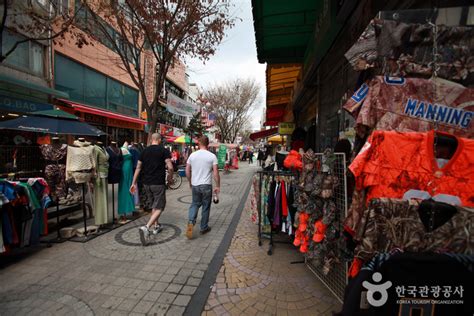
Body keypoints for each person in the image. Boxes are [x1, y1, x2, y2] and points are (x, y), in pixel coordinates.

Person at [130, 133, 174, 246]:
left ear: (151, 140)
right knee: (160, 206)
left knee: (154, 205)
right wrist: (170, 178)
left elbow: (138, 167)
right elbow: (170, 167)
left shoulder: (144, 151)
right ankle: (147, 227)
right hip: (158, 183)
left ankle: (156, 226)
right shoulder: (163, 151)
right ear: (159, 140)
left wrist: (133, 183)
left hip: (146, 183)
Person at [185, 135, 220, 239]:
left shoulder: (192, 155)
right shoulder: (212, 156)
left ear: (199, 143)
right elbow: (215, 173)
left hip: (195, 184)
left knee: (195, 204)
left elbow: (187, 170)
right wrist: (218, 185)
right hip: (206, 185)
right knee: (206, 206)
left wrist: (190, 182)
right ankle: (203, 227)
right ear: (208, 144)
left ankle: (191, 221)